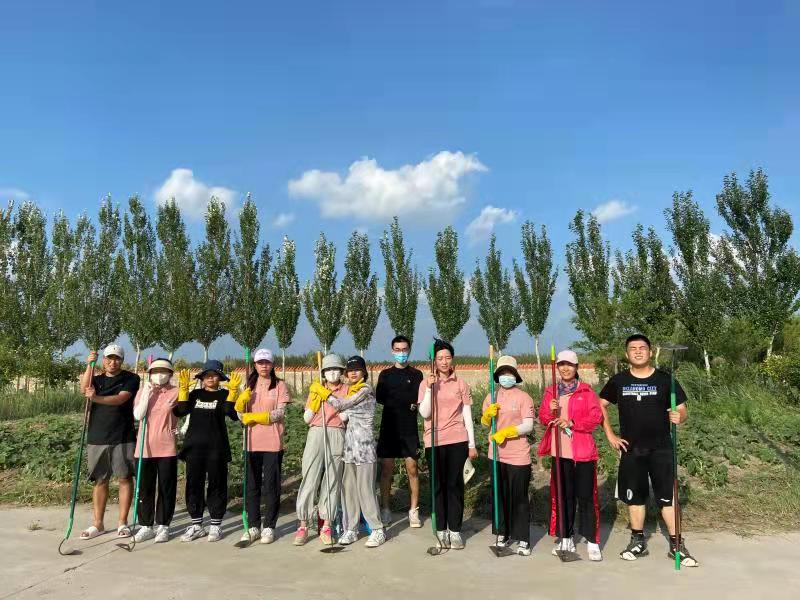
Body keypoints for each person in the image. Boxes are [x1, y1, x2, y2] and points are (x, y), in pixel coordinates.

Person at [599, 334, 698, 567]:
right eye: (633, 348)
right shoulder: (619, 381)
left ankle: (677, 545)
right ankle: (638, 541)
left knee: (667, 497)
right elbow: (599, 405)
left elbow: (682, 409)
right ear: (627, 354)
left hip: (661, 449)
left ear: (650, 352)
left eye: (642, 348)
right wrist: (610, 435)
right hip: (632, 450)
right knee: (635, 497)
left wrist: (680, 416)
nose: (638, 351)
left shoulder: (665, 379)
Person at [310, 356, 386, 547]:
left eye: (357, 370)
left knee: (365, 490)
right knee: (348, 491)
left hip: (365, 449)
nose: (353, 373)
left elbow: (341, 405)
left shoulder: (365, 390)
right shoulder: (351, 390)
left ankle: (377, 529)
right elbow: (343, 415)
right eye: (350, 370)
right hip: (350, 449)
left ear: (364, 373)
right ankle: (351, 529)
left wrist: (323, 392)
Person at [537, 350, 603, 561]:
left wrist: (572, 422)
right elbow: (543, 418)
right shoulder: (551, 392)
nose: (565, 368)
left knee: (586, 497)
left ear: (576, 367)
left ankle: (592, 540)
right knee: (563, 497)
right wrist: (550, 410)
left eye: (570, 364)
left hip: (583, 453)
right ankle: (566, 537)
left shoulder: (586, 391)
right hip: (560, 452)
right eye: (561, 365)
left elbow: (596, 417)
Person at [417, 339, 477, 550]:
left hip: (457, 440)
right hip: (433, 442)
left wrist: (471, 444)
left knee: (455, 486)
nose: (444, 361)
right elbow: (425, 413)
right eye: (440, 358)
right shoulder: (425, 384)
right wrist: (429, 389)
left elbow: (467, 415)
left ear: (452, 359)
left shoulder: (461, 384)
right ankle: (441, 530)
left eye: (447, 357)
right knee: (438, 486)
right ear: (434, 361)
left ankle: (455, 531)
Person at [173, 360, 240, 543]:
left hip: (217, 447)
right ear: (202, 377)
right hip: (194, 447)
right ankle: (196, 524)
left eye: (214, 375)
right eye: (207, 375)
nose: (210, 378)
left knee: (217, 484)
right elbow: (180, 411)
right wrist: (183, 390)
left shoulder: (224, 394)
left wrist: (233, 393)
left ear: (220, 377)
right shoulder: (195, 394)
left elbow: (231, 414)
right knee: (194, 484)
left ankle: (216, 524)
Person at [79, 344, 141, 540]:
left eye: (116, 359)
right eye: (109, 358)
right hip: (97, 436)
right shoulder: (96, 380)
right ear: (103, 360)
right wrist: (89, 365)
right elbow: (84, 389)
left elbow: (121, 399)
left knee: (124, 478)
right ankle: (98, 523)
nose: (112, 362)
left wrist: (96, 398)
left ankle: (122, 523)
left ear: (121, 361)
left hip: (123, 436)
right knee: (100, 480)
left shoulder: (131, 378)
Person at [480, 355, 536, 556]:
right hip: (496, 455)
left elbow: (528, 425)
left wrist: (507, 432)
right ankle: (502, 532)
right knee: (499, 495)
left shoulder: (524, 397)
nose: (506, 376)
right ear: (497, 376)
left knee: (519, 497)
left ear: (515, 375)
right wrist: (487, 416)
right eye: (502, 373)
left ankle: (523, 538)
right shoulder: (491, 396)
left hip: (518, 455)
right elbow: (485, 423)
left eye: (509, 373)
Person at [236, 348, 291, 545]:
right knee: (251, 485)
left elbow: (280, 413)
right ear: (255, 365)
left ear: (272, 364)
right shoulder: (247, 385)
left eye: (267, 362)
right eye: (260, 363)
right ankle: (253, 526)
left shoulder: (280, 385)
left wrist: (257, 417)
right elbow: (240, 415)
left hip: (272, 442)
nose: (264, 366)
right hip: (251, 442)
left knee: (271, 485)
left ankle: (269, 526)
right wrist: (240, 404)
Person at [294, 353, 349, 546]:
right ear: (323, 373)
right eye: (328, 370)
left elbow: (344, 417)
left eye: (336, 369)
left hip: (337, 432)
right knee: (310, 476)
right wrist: (317, 398)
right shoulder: (316, 389)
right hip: (317, 431)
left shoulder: (347, 390)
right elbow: (307, 418)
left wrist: (330, 398)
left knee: (332, 478)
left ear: (341, 371)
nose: (333, 373)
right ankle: (303, 524)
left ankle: (326, 525)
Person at [376, 335, 424, 528]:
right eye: (397, 350)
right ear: (392, 351)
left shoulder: (417, 374)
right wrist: (406, 401)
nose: (401, 353)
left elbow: (419, 398)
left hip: (409, 429)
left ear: (409, 350)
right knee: (387, 469)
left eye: (404, 349)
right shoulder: (385, 375)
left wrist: (409, 402)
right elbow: (381, 398)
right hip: (389, 428)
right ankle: (386, 509)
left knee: (412, 469)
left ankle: (413, 510)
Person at [132, 358, 179, 544]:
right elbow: (138, 415)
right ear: (150, 374)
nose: (160, 375)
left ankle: (163, 525)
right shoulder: (143, 391)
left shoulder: (175, 392)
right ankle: (146, 525)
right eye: (156, 371)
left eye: (164, 371)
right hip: (144, 448)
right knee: (145, 488)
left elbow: (185, 411)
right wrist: (146, 393)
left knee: (166, 488)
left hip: (167, 447)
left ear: (170, 374)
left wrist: (181, 429)